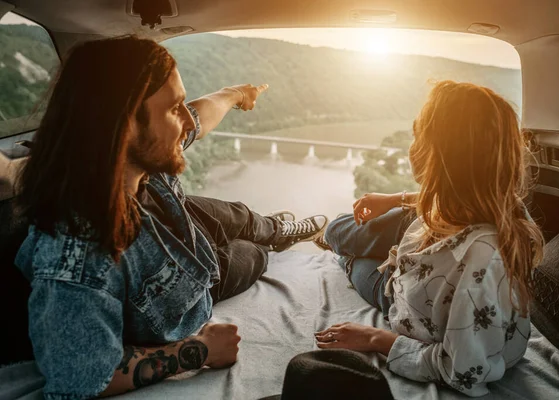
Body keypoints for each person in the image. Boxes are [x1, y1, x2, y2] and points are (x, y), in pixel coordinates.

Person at [14, 35, 327, 398]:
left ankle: (277, 229)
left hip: (175, 224)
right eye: (173, 107)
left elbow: (199, 117)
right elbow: (80, 379)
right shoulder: (76, 256)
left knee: (240, 216)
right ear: (125, 124)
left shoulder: (138, 161)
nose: (184, 120)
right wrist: (200, 351)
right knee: (251, 254)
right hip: (192, 286)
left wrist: (235, 94)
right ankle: (270, 242)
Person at [314, 81, 544, 397]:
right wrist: (397, 198)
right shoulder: (504, 206)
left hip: (397, 291)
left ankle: (336, 246)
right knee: (343, 229)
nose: (412, 147)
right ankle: (337, 238)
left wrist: (373, 339)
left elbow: (461, 372)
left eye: (419, 136)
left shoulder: (480, 261)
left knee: (345, 245)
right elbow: (462, 190)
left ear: (440, 155)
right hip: (422, 243)